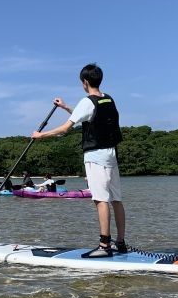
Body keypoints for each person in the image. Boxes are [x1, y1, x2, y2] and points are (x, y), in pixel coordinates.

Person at [31, 63, 126, 258]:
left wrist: (41, 136)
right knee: (116, 199)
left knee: (101, 200)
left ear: (84, 82)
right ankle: (121, 243)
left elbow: (65, 129)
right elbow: (88, 116)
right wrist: (65, 107)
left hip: (96, 156)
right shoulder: (108, 99)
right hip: (112, 155)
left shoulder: (87, 101)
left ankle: (104, 246)